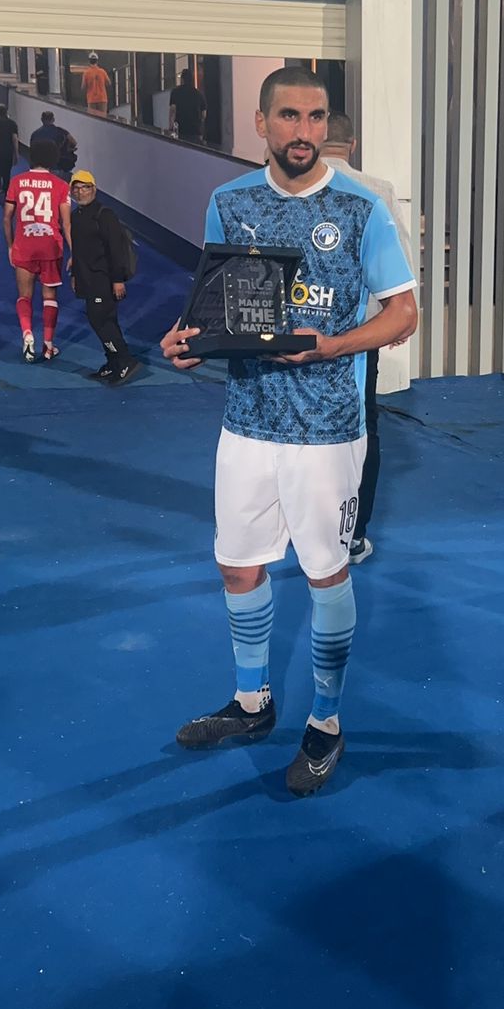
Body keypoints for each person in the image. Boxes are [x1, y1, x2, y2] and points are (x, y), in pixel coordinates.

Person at [161, 65, 417, 796]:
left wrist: (333, 346)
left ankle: (326, 722)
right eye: (289, 116)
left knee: (324, 573)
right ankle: (252, 703)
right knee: (237, 567)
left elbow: (403, 315)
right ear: (261, 123)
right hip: (246, 421)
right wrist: (185, 342)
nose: (305, 131)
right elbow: (216, 307)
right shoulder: (229, 202)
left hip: (328, 430)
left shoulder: (361, 208)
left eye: (316, 117)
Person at [321, 111, 414, 566]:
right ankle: (353, 535)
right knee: (362, 425)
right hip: (360, 334)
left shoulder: (291, 189)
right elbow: (400, 262)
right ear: (352, 144)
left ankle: (305, 528)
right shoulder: (378, 190)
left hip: (297, 331)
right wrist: (395, 319)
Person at [4, 138, 72, 363]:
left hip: (24, 245)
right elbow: (66, 224)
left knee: (24, 295)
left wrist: (10, 245)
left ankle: (27, 333)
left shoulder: (17, 181)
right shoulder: (61, 185)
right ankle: (48, 345)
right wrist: (75, 252)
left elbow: (7, 217)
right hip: (51, 246)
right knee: (49, 296)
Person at [69, 170, 139, 386]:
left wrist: (118, 280)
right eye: (76, 188)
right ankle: (113, 362)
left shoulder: (104, 215)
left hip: (104, 279)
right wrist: (75, 274)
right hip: (87, 279)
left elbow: (115, 249)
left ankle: (124, 360)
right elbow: (79, 250)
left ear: (94, 189)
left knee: (100, 320)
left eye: (85, 187)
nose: (80, 192)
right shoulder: (76, 216)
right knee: (103, 321)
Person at [28, 110, 76, 174]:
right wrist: (68, 148)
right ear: (53, 119)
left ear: (42, 120)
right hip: (55, 166)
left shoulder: (35, 134)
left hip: (38, 166)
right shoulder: (60, 131)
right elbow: (73, 142)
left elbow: (32, 150)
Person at [169, 69, 207, 144]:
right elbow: (204, 114)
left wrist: (171, 127)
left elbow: (173, 110)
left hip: (181, 131)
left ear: (182, 79)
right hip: (195, 131)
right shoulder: (198, 94)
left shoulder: (175, 92)